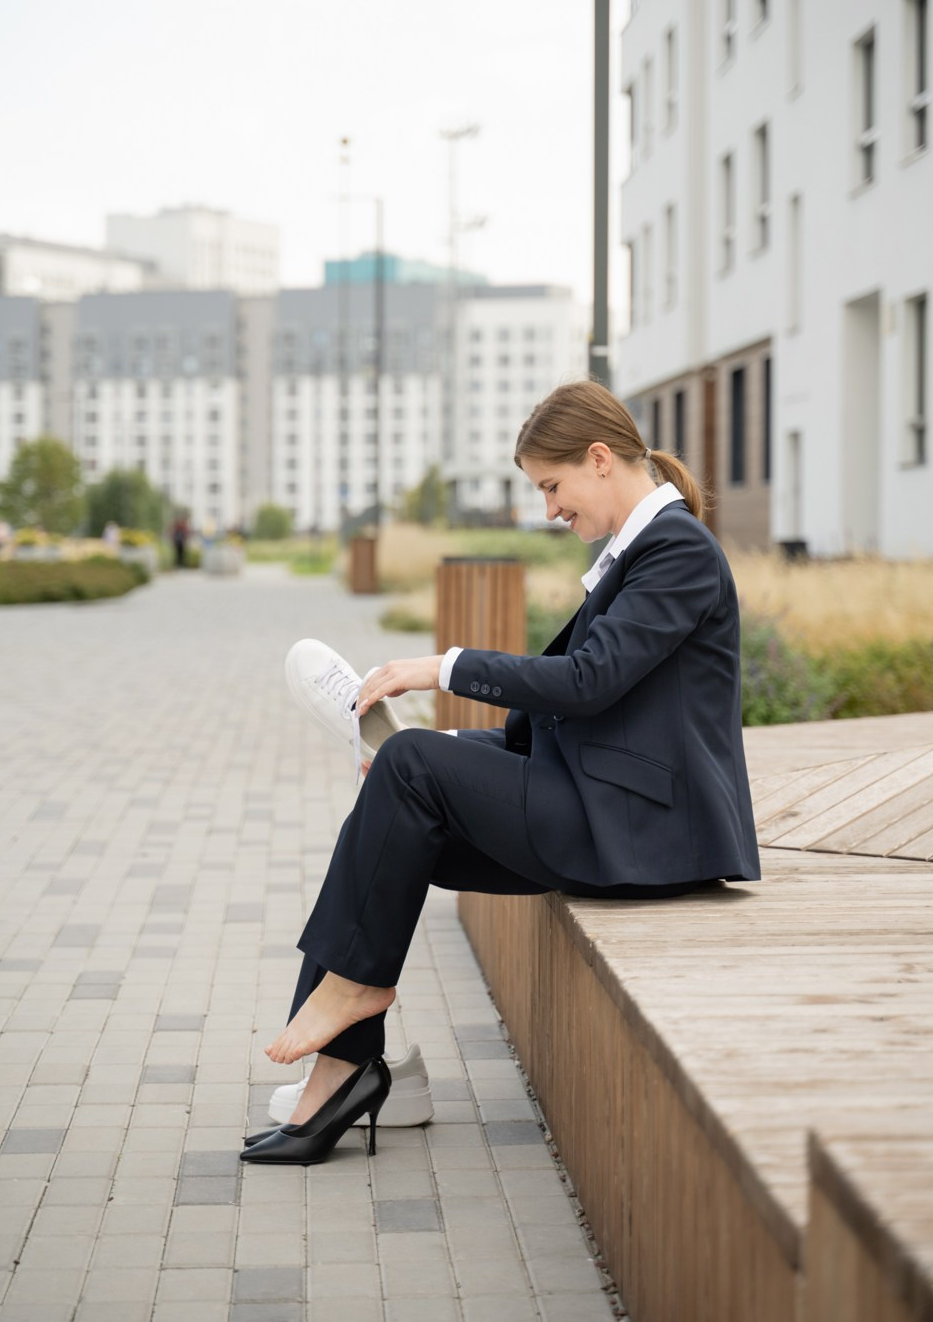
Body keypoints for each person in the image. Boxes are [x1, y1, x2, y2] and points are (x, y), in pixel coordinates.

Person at [241, 380, 760, 1166]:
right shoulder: (639, 551)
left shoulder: (677, 551)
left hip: (647, 834)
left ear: (597, 459)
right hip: (609, 807)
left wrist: (442, 666)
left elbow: (589, 681)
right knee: (398, 789)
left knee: (408, 770)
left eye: (552, 486)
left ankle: (350, 1017)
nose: (550, 509)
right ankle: (343, 1064)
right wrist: (458, 747)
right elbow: (573, 710)